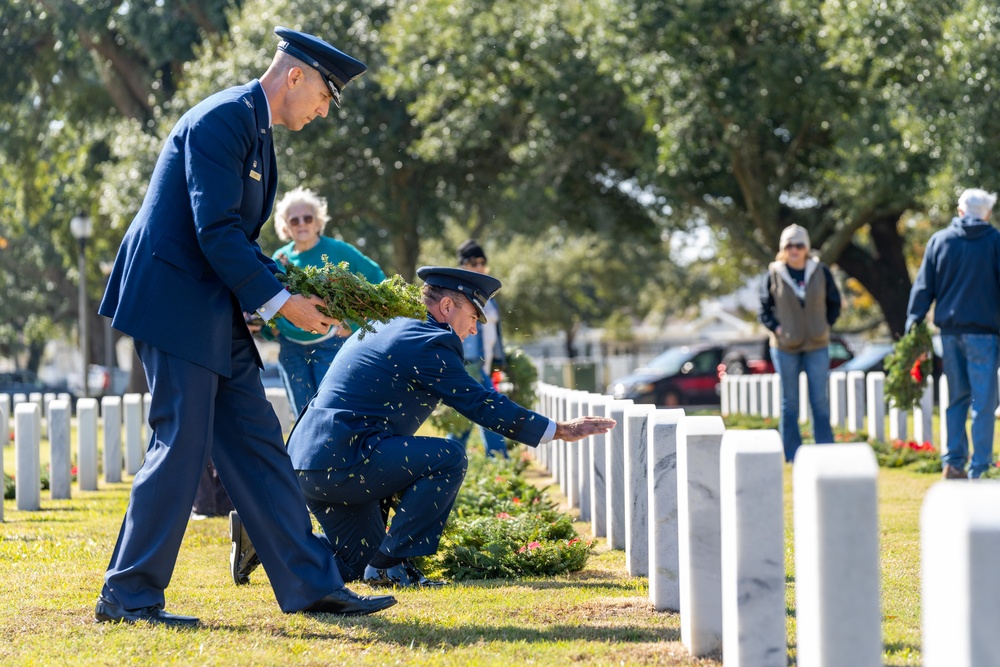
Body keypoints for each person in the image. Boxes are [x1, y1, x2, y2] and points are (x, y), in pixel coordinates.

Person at [95, 26, 396, 626]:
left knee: (258, 444)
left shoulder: (256, 131)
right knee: (179, 445)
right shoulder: (223, 119)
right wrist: (285, 303)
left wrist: (296, 291)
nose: (322, 111)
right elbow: (215, 231)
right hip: (174, 303)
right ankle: (128, 597)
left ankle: (312, 585)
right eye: (324, 98)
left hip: (210, 308)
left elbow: (240, 238)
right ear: (296, 77)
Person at [230, 267, 617, 587]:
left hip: (312, 462)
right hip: (347, 460)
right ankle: (391, 564)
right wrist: (558, 430)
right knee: (448, 457)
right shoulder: (429, 342)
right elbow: (480, 403)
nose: (473, 330)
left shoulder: (390, 325)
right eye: (473, 318)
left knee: (353, 567)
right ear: (448, 306)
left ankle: (263, 538)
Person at [906, 188, 1000, 480]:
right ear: (987, 213)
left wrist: (913, 323)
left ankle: (954, 462)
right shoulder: (996, 242)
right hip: (985, 333)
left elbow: (923, 287)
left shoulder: (940, 240)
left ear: (960, 211)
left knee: (957, 399)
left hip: (949, 333)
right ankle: (980, 467)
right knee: (983, 403)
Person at [270, 187, 386, 414]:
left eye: (308, 217)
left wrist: (352, 323)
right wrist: (272, 331)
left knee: (331, 412)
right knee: (302, 416)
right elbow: (271, 302)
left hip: (330, 344)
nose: (301, 223)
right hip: (291, 349)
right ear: (286, 225)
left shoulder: (338, 250)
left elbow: (376, 280)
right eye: (294, 220)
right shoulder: (278, 259)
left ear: (317, 221)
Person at [759, 224, 841, 462]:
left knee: (819, 401)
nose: (794, 250)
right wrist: (777, 328)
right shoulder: (774, 273)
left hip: (817, 343)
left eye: (799, 245)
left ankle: (825, 451)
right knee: (790, 402)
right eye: (789, 245)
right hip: (785, 347)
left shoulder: (820, 271)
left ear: (806, 248)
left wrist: (826, 324)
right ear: (783, 249)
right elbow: (763, 309)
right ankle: (792, 454)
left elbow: (834, 302)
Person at [452, 239, 509, 457]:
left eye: (482, 262)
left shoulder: (487, 296)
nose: (479, 267)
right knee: (491, 412)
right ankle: (500, 460)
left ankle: (449, 459)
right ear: (463, 265)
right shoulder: (461, 295)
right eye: (473, 262)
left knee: (462, 423)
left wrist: (499, 360)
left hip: (484, 367)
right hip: (469, 366)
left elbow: (496, 333)